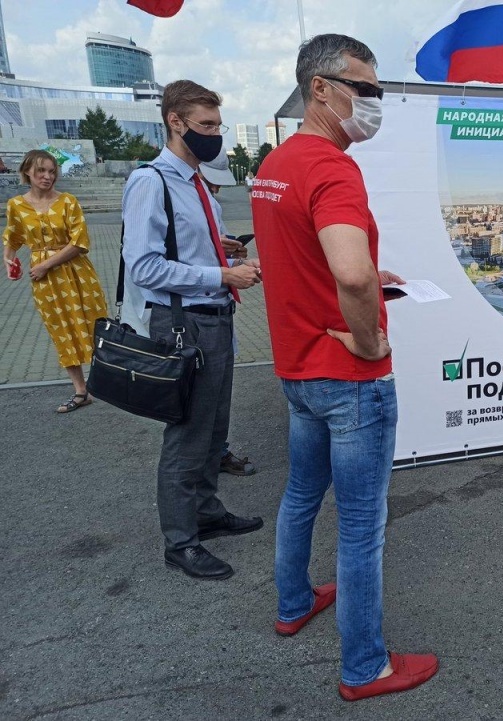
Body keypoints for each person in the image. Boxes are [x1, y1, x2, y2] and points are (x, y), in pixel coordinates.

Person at [251, 33, 438, 701]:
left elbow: (308, 261)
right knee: (361, 525)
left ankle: (294, 600)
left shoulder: (275, 164)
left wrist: (359, 283)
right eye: (366, 88)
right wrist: (368, 340)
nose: (375, 102)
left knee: (301, 494)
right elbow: (351, 274)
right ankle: (366, 665)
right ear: (321, 89)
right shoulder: (332, 168)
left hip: (297, 372)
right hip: (348, 380)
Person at [122, 80, 264, 581]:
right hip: (184, 322)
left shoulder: (198, 182)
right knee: (187, 434)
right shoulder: (151, 181)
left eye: (218, 126)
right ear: (175, 122)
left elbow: (180, 248)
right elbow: (143, 266)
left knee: (213, 428)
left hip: (214, 317)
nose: (215, 135)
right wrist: (219, 274)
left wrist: (219, 248)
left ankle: (206, 512)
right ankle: (180, 541)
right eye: (206, 126)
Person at [3, 149, 107, 413]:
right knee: (61, 330)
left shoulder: (68, 201)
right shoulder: (16, 205)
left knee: (94, 326)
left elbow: (80, 243)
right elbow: (13, 237)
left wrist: (46, 264)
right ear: (27, 171)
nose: (47, 176)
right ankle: (81, 391)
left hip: (77, 273)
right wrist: (8, 260)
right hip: (46, 283)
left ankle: (110, 383)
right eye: (41, 170)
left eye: (52, 171)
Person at [197, 148, 258, 477]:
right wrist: (224, 270)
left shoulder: (212, 205)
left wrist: (234, 257)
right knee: (198, 402)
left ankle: (216, 455)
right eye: (211, 183)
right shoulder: (161, 191)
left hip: (218, 308)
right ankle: (204, 463)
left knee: (220, 394)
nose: (215, 189)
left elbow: (210, 254)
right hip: (190, 316)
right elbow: (150, 268)